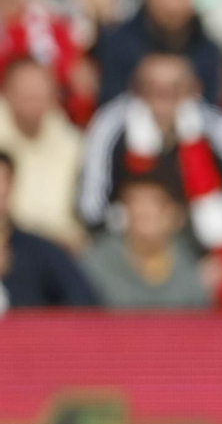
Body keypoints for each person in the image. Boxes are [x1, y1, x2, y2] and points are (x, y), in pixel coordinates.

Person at [78, 52, 222, 251]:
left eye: (175, 88)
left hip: (202, 246)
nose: (164, 96)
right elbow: (92, 205)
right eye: (153, 87)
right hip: (126, 244)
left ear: (193, 90)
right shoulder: (112, 124)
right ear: (136, 90)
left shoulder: (210, 125)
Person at [95, 0, 222, 103]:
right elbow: (111, 105)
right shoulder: (117, 44)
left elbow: (211, 108)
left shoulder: (207, 50)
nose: (172, 5)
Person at [79, 175, 210, 309]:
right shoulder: (98, 262)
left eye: (156, 204)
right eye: (135, 202)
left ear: (175, 214)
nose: (144, 211)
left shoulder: (189, 260)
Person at [0, 56, 83, 251]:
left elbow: (76, 216)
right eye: (26, 94)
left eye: (41, 94)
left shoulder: (71, 142)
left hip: (59, 246)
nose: (34, 100)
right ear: (6, 93)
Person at [0, 150, 98, 309]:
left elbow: (85, 300)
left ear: (12, 186)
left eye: (2, 181)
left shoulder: (38, 250)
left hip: (29, 332)